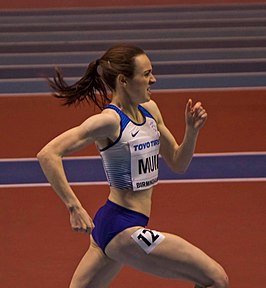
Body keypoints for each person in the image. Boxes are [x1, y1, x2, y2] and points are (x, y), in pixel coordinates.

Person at [37, 44, 229, 288]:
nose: (153, 79)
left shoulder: (150, 111)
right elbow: (48, 153)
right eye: (146, 74)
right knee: (216, 279)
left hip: (116, 226)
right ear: (123, 81)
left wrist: (191, 133)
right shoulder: (109, 121)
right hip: (121, 229)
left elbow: (179, 163)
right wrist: (74, 207)